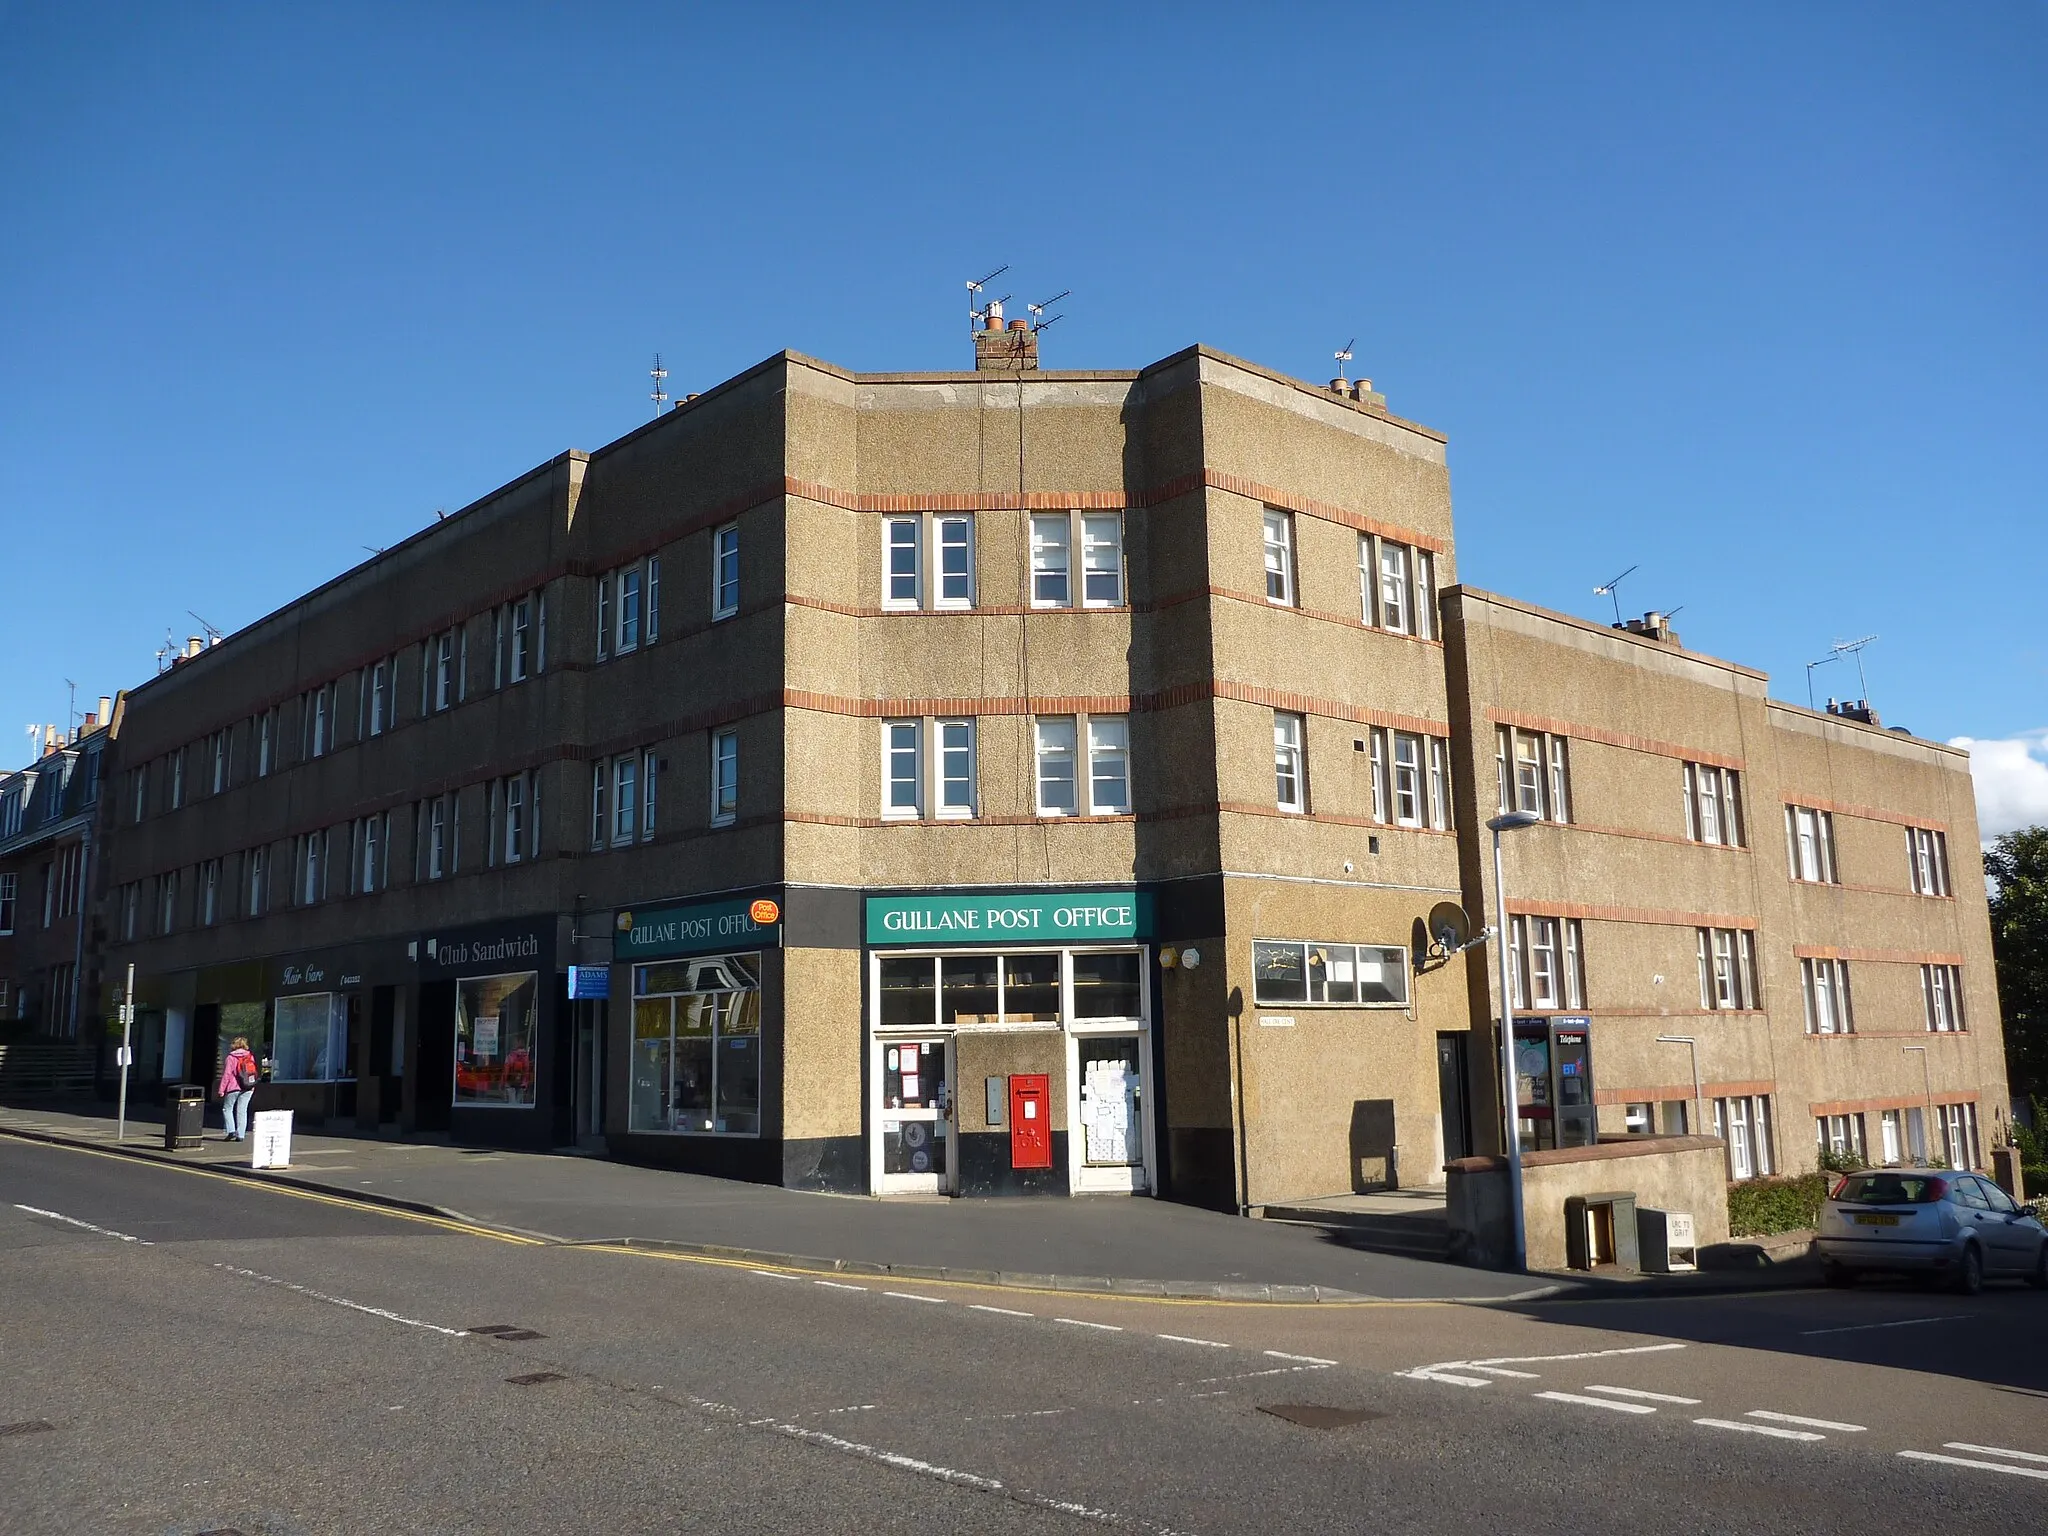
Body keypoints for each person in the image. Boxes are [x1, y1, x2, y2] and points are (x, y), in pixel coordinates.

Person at [218, 1035, 258, 1141]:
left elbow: (227, 1075)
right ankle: (240, 1135)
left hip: (233, 1087)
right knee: (242, 1111)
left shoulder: (231, 1058)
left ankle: (231, 1130)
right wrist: (252, 1085)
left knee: (227, 1109)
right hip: (248, 1087)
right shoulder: (250, 1056)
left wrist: (221, 1089)